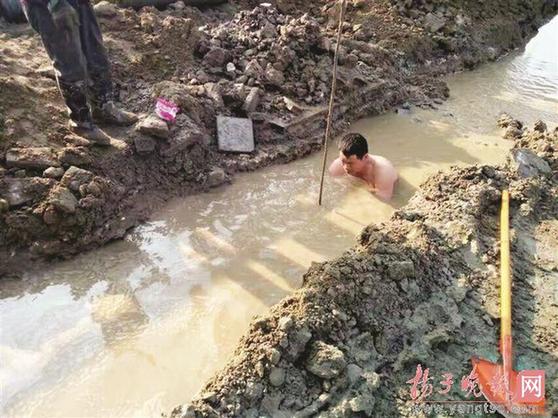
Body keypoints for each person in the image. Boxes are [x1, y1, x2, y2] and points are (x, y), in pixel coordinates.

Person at [20, 0, 137, 145]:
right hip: (47, 5)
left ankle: (103, 107)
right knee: (69, 63)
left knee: (97, 55)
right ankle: (80, 121)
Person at [328, 132, 398, 201]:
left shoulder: (383, 172)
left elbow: (384, 202)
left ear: (365, 157)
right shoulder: (336, 167)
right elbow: (332, 186)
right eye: (343, 161)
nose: (345, 167)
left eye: (350, 163)